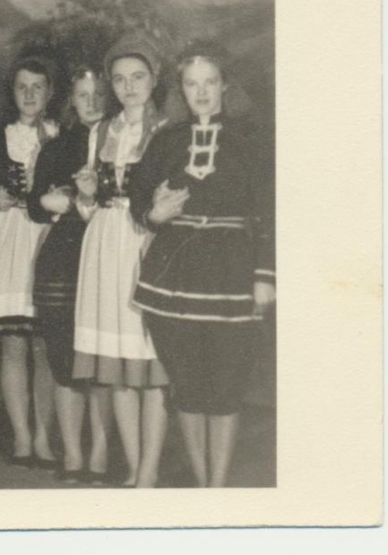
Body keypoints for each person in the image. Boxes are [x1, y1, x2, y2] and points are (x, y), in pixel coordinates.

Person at [130, 41, 275, 487]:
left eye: (210, 82)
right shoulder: (166, 140)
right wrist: (155, 214)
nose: (202, 92)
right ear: (181, 90)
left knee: (226, 387)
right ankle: (201, 486)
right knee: (187, 386)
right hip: (174, 274)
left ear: (225, 85)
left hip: (233, 272)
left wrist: (266, 273)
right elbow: (139, 198)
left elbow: (270, 208)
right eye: (192, 84)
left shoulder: (251, 140)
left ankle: (218, 488)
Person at [72, 33, 171, 487]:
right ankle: (133, 467)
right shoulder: (100, 132)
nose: (129, 87)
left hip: (144, 243)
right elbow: (88, 209)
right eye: (119, 79)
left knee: (149, 364)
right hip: (103, 244)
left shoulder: (168, 129)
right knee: (117, 366)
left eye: (137, 77)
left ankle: (149, 470)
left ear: (153, 80)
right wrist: (86, 195)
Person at [0, 55, 60, 467]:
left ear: (50, 92)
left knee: (45, 347)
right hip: (6, 245)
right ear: (12, 92)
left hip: (46, 241)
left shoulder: (63, 136)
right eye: (22, 86)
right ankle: (22, 435)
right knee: (13, 346)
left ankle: (43, 437)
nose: (29, 94)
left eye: (37, 86)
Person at [28, 65, 115, 483]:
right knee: (64, 358)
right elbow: (33, 205)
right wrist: (52, 200)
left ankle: (100, 453)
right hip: (62, 258)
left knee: (101, 359)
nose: (91, 102)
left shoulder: (123, 142)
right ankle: (73, 455)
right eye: (82, 95)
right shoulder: (58, 147)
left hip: (107, 256)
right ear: (71, 100)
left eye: (98, 94)